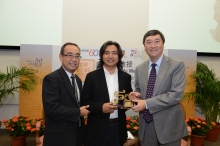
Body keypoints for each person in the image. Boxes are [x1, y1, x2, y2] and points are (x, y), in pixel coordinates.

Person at [130, 30, 188, 146]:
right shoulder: (140, 68)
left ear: (163, 44)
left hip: (168, 126)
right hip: (146, 125)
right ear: (144, 46)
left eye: (157, 41)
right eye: (149, 42)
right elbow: (139, 89)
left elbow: (175, 95)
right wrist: (137, 95)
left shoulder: (176, 65)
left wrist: (146, 103)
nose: (153, 46)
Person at [81, 41, 133, 146]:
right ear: (101, 55)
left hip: (118, 129)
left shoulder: (125, 77)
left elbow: (127, 101)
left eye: (114, 53)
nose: (110, 56)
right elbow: (84, 101)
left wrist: (129, 102)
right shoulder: (92, 77)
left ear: (119, 56)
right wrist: (101, 108)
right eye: (106, 53)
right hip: (96, 130)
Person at [42, 42, 90, 146]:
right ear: (60, 57)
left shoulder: (77, 80)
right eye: (69, 55)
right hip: (59, 138)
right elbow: (51, 109)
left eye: (77, 56)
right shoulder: (52, 79)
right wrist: (78, 112)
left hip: (76, 137)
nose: (74, 59)